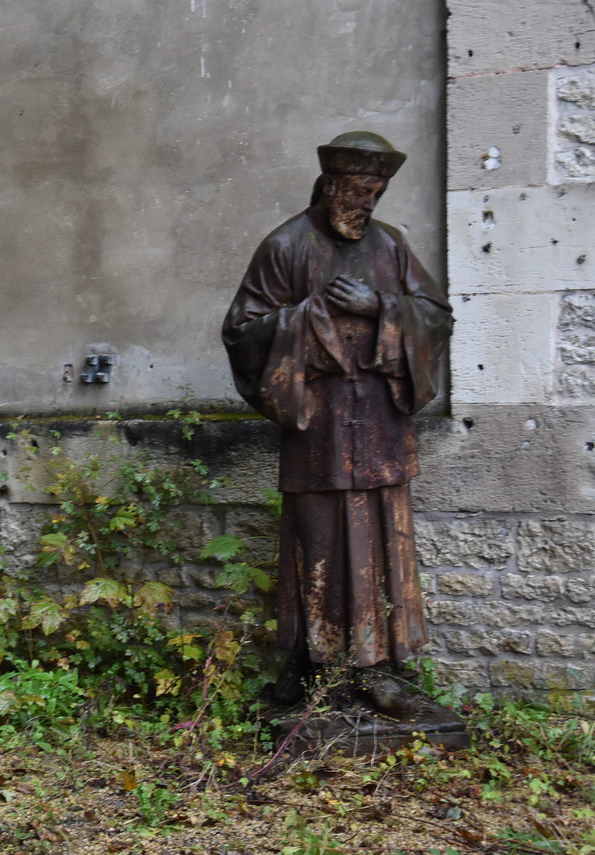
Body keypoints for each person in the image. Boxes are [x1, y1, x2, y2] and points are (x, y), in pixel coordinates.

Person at [222, 131, 453, 706]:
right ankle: (312, 668)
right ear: (330, 186)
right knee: (318, 539)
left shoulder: (390, 245)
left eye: (377, 192)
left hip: (378, 425)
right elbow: (243, 333)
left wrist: (380, 307)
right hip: (319, 430)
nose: (369, 203)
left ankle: (381, 668)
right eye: (360, 190)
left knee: (384, 541)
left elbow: (436, 316)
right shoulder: (286, 246)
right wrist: (312, 317)